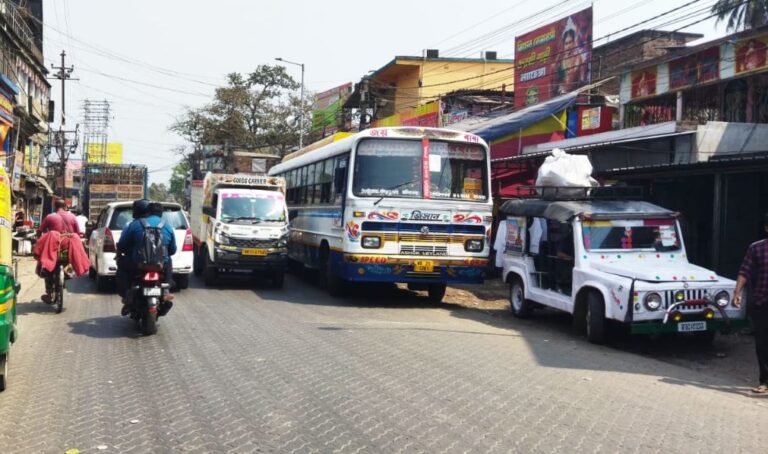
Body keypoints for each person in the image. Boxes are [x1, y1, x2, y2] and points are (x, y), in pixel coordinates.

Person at [117, 201, 176, 315]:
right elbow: (172, 250)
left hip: (138, 265)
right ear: (161, 214)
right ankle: (166, 290)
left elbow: (122, 245)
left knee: (122, 265)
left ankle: (127, 294)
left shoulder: (136, 224)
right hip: (160, 266)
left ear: (148, 212)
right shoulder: (168, 227)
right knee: (169, 260)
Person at [734, 212, 768, 394]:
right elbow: (744, 271)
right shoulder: (756, 248)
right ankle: (765, 381)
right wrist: (737, 292)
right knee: (762, 343)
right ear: (766, 228)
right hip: (762, 302)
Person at [36, 199, 80, 304]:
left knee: (46, 267)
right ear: (65, 207)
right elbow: (77, 233)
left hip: (53, 248)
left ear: (55, 207)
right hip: (67, 248)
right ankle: (68, 271)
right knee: (70, 259)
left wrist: (39, 241)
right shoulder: (72, 217)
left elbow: (40, 231)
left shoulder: (50, 217)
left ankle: (49, 292)